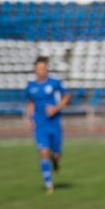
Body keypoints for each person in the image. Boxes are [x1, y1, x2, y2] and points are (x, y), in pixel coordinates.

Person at [25, 56, 70, 194]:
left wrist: (55, 108)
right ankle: (48, 184)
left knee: (55, 154)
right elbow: (30, 102)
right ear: (35, 69)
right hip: (40, 125)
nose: (41, 71)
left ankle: (55, 161)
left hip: (54, 123)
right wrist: (30, 118)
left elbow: (66, 96)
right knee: (43, 152)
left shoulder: (55, 83)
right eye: (38, 68)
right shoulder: (30, 86)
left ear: (46, 69)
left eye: (43, 68)